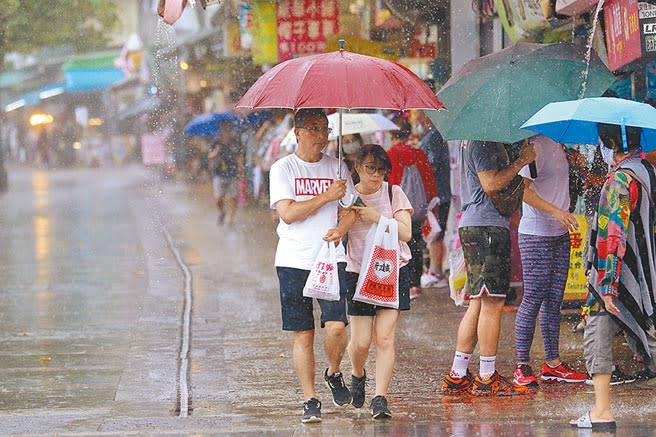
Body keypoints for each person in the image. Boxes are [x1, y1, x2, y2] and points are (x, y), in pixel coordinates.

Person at [269, 108, 355, 423]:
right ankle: (310, 398)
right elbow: (288, 214)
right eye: (315, 128)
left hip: (331, 258)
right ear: (299, 132)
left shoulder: (339, 166)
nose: (322, 135)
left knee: (336, 327)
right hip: (293, 260)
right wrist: (325, 196)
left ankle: (333, 372)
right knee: (303, 334)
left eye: (326, 128)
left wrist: (341, 228)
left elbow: (352, 209)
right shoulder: (282, 168)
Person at [571, 123, 656, 430]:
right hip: (642, 271)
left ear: (610, 143)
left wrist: (606, 286)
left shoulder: (619, 180)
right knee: (644, 330)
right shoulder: (646, 171)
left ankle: (602, 411)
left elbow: (613, 235)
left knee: (599, 333)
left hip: (615, 274)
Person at [441, 139, 535, 396]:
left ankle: (459, 373)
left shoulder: (470, 140)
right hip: (487, 228)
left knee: (478, 302)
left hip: (476, 225)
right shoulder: (483, 143)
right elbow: (490, 183)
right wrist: (520, 162)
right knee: (492, 303)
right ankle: (486, 376)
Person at [329, 144, 413, 419]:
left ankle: (380, 398)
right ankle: (357, 373)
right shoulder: (348, 198)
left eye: (381, 169)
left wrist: (378, 218)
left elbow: (406, 233)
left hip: (392, 270)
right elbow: (337, 229)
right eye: (370, 169)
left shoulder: (393, 193)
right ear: (357, 168)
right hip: (358, 273)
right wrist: (344, 210)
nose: (376, 175)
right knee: (362, 342)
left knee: (385, 338)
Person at [512, 135, 588, 387]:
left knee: (554, 299)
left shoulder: (561, 146)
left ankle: (552, 363)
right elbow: (523, 191)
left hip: (559, 234)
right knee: (533, 297)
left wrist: (576, 164)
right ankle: (522, 365)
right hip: (536, 233)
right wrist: (556, 211)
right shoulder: (535, 147)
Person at [386, 120, 436, 300]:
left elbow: (388, 182)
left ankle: (403, 283)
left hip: (398, 208)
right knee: (416, 244)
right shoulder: (418, 153)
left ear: (392, 136)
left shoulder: (390, 154)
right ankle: (415, 284)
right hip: (418, 207)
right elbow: (429, 179)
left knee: (399, 244)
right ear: (408, 134)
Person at [415, 110, 451, 289]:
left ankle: (436, 271)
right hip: (436, 195)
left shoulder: (434, 137)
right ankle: (435, 270)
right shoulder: (430, 136)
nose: (416, 120)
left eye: (418, 115)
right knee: (435, 233)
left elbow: (432, 166)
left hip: (438, 196)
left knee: (435, 233)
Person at [208, 120, 244, 226]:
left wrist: (241, 170)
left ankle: (231, 219)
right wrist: (216, 152)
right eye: (224, 128)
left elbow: (239, 156)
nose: (226, 131)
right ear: (221, 129)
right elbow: (209, 156)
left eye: (228, 128)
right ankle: (222, 212)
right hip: (218, 173)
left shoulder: (235, 141)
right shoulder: (216, 142)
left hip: (232, 172)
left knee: (232, 197)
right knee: (218, 198)